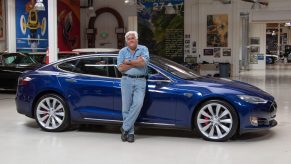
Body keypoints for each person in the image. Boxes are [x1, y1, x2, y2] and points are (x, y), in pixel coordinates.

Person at [117, 31, 149, 143]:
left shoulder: (144, 49)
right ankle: (130, 133)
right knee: (126, 108)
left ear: (137, 39)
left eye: (133, 38)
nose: (131, 40)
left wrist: (128, 62)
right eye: (129, 38)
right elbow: (120, 68)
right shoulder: (122, 51)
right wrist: (136, 62)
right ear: (126, 41)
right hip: (126, 80)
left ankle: (124, 127)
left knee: (138, 104)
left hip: (141, 81)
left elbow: (143, 64)